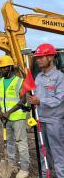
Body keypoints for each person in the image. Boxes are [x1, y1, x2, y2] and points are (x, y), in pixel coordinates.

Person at [27, 43, 64, 178]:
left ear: (50, 57)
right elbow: (35, 96)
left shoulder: (60, 77)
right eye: (37, 57)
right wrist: (30, 98)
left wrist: (40, 101)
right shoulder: (38, 77)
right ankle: (45, 175)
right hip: (40, 119)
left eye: (41, 57)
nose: (38, 60)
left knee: (58, 152)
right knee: (43, 151)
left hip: (55, 122)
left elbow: (59, 99)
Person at [0, 56, 30, 178]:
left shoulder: (20, 81)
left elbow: (23, 100)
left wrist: (9, 112)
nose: (2, 70)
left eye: (4, 67)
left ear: (10, 67)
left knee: (21, 142)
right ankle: (11, 164)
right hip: (5, 118)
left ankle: (25, 169)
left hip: (18, 117)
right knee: (9, 143)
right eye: (1, 68)